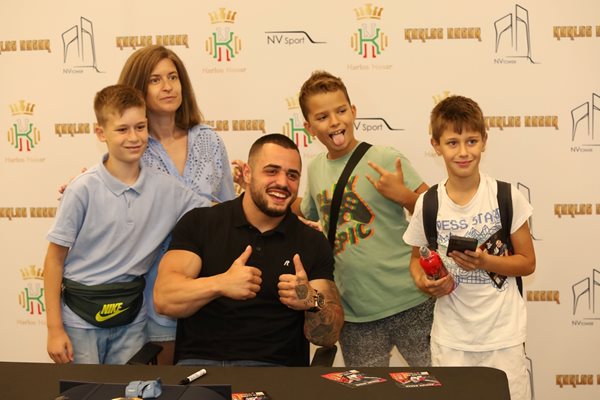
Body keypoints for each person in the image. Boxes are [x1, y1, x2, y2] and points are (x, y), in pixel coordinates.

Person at [44, 85, 209, 364]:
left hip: (132, 318)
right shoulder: (81, 190)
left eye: (140, 127)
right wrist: (54, 329)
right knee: (83, 393)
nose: (134, 137)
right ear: (101, 133)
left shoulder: (168, 189)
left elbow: (215, 213)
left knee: (130, 391)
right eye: (122, 129)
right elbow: (53, 261)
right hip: (80, 320)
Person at [153, 134, 344, 366]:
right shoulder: (200, 223)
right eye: (271, 171)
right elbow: (164, 299)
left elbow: (328, 336)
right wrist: (221, 284)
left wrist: (311, 300)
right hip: (201, 369)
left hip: (276, 372)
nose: (283, 183)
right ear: (246, 174)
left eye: (292, 175)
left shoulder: (311, 241)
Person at [295, 70, 432, 367]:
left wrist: (404, 196)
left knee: (441, 386)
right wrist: (260, 192)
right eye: (322, 117)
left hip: (411, 300)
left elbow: (435, 209)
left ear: (353, 112)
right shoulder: (316, 167)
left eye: (341, 111)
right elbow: (305, 211)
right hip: (356, 313)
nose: (334, 121)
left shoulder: (382, 157)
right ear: (308, 127)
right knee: (368, 392)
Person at [402, 95, 535, 400]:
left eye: (471, 141)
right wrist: (426, 282)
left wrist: (485, 261)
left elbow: (527, 263)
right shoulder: (429, 202)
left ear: (484, 141)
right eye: (452, 143)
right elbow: (415, 258)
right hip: (451, 341)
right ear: (436, 145)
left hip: (504, 337)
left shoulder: (506, 196)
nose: (463, 152)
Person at [118, 45, 237, 364]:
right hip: (154, 288)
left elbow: (229, 211)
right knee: (162, 383)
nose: (168, 86)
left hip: (212, 283)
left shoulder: (209, 139)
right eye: (155, 80)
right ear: (137, 89)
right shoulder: (132, 148)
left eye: (173, 77)